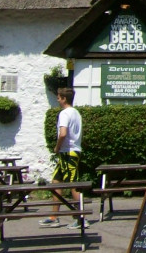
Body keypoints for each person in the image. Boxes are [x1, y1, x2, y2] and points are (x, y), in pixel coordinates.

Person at [39, 88, 86, 229]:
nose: (57, 100)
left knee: (73, 184)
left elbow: (63, 133)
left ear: (64, 99)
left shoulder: (64, 114)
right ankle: (54, 217)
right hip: (72, 151)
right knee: (56, 181)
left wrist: (57, 147)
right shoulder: (76, 113)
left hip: (68, 152)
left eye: (59, 98)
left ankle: (80, 218)